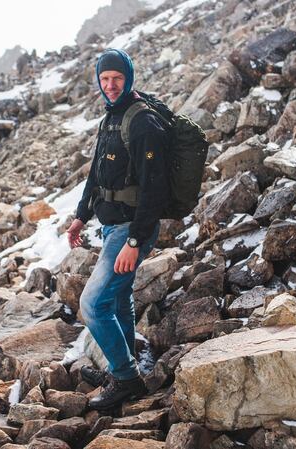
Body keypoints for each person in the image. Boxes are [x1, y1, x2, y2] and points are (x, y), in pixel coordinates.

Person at [66, 48, 170, 410]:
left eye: (117, 79)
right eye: (105, 79)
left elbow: (155, 188)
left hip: (131, 229)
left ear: (129, 79)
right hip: (113, 227)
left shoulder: (141, 121)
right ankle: (121, 368)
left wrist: (135, 241)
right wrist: (81, 215)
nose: (110, 85)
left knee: (93, 305)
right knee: (120, 302)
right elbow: (97, 174)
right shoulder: (111, 118)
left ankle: (126, 379)